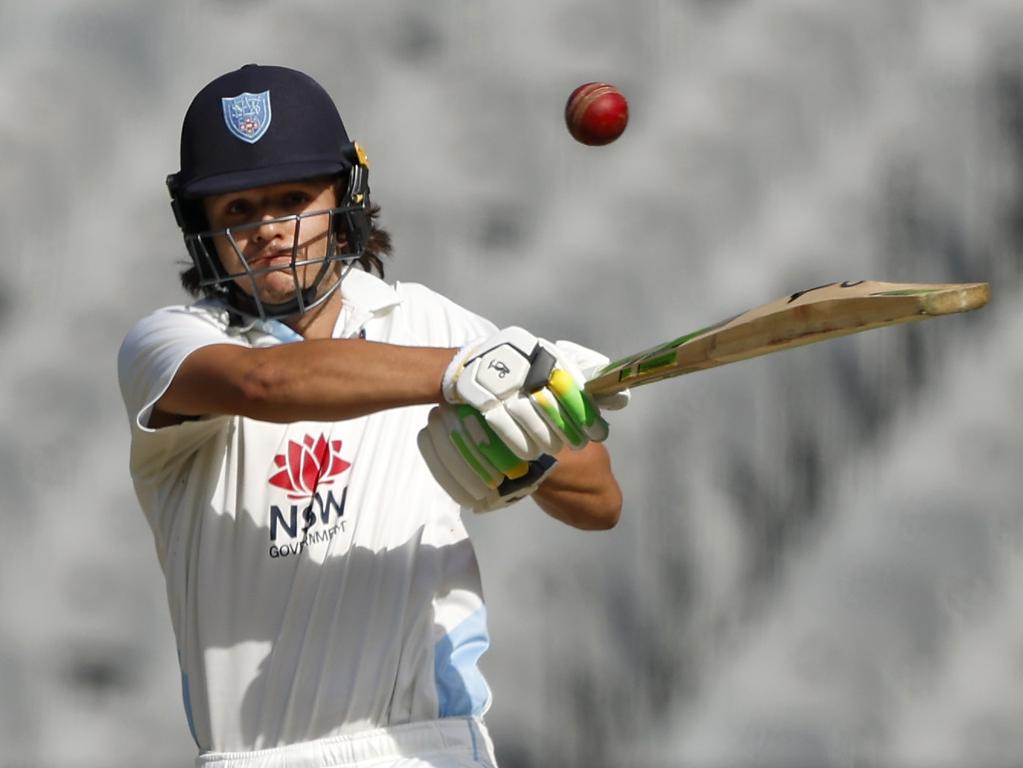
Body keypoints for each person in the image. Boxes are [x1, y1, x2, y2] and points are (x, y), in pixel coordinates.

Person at [117, 64, 626, 768]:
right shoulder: (169, 344)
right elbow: (265, 382)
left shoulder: (432, 322)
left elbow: (599, 499)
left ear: (346, 196)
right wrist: (463, 376)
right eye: (238, 210)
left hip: (427, 749)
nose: (268, 228)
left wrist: (529, 445)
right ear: (199, 224)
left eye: (293, 197)